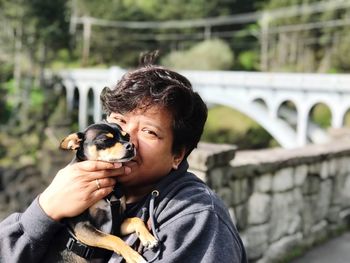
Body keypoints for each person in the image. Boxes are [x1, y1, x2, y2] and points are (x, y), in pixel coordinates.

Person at [0, 51, 247, 263]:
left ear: (177, 155)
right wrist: (45, 211)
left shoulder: (196, 218)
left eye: (149, 131)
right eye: (118, 121)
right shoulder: (76, 196)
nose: (127, 140)